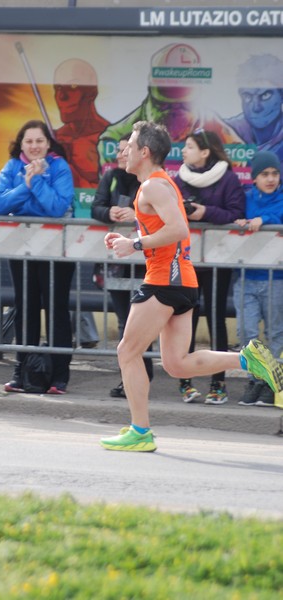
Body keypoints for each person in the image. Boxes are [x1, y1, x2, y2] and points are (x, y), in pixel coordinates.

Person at [100, 120, 283, 452]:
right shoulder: (156, 184)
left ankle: (140, 431)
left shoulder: (154, 186)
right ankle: (246, 360)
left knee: (127, 351)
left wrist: (135, 245)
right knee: (175, 364)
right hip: (180, 281)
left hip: (164, 280)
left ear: (145, 152)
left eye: (131, 144)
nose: (124, 150)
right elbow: (168, 230)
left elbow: (179, 230)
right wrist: (132, 239)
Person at [0, 119, 75, 395]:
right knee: (25, 307)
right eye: (29, 141)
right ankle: (22, 372)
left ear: (48, 143)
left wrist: (35, 181)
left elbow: (56, 207)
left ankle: (59, 376)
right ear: (21, 144)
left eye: (39, 141)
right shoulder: (12, 167)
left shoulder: (60, 167)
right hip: (22, 248)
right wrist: (25, 186)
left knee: (56, 309)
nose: (34, 146)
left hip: (56, 250)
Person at [173, 129, 245, 405]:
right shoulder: (179, 178)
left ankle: (218, 383)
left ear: (205, 152)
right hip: (186, 260)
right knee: (184, 321)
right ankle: (185, 382)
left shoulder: (227, 178)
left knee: (216, 319)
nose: (183, 151)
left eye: (189, 146)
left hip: (217, 262)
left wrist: (206, 213)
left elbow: (237, 213)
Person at [98, 42, 242, 169]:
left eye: (183, 106)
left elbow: (239, 153)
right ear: (151, 94)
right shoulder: (116, 136)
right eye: (164, 105)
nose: (173, 112)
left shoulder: (211, 123)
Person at [91, 135, 153, 397]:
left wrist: (136, 215)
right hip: (117, 263)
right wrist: (109, 213)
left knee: (142, 323)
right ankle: (129, 378)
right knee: (123, 321)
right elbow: (96, 207)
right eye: (117, 151)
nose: (118, 155)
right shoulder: (111, 176)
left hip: (145, 263)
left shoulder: (150, 180)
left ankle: (145, 374)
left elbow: (164, 214)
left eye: (124, 150)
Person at [233, 151, 283, 407]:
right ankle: (256, 378)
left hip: (276, 279)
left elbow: (279, 215)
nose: (271, 178)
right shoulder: (246, 198)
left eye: (275, 173)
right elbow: (231, 214)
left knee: (276, 333)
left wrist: (265, 219)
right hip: (246, 278)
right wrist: (238, 221)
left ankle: (271, 384)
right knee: (247, 332)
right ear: (254, 178)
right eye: (265, 174)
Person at [54, 58, 110, 188]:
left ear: (92, 92)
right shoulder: (55, 138)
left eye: (73, 86)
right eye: (58, 88)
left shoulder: (109, 137)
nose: (62, 95)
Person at [225, 54, 283, 165]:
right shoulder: (228, 129)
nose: (256, 107)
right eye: (247, 96)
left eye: (265, 95)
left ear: (282, 95)